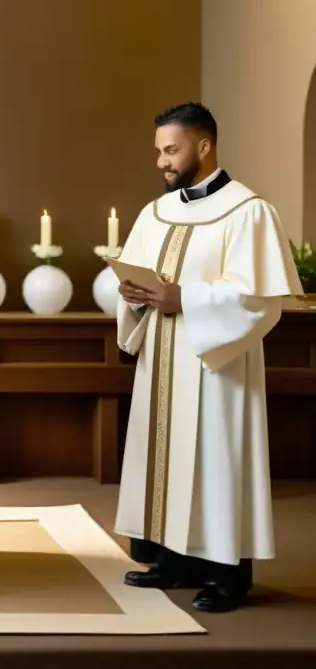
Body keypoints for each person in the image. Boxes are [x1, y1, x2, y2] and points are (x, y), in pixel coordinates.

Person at [113, 102, 302, 613]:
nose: (161, 162)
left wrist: (186, 300)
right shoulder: (155, 212)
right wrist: (133, 296)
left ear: (204, 146)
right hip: (162, 361)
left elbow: (260, 301)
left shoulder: (248, 212)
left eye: (170, 150)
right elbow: (137, 277)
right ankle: (173, 560)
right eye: (158, 151)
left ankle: (226, 575)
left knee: (218, 463)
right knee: (166, 459)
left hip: (215, 366)